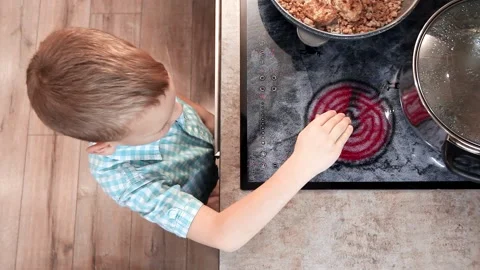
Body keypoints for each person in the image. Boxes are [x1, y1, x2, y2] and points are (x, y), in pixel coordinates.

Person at [26, 28, 353, 252]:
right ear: (105, 145)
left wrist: (217, 140)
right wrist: (302, 164)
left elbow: (200, 116)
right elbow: (225, 235)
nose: (178, 113)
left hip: (218, 172)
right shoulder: (124, 178)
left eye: (172, 102)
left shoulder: (146, 101)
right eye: (165, 124)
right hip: (207, 205)